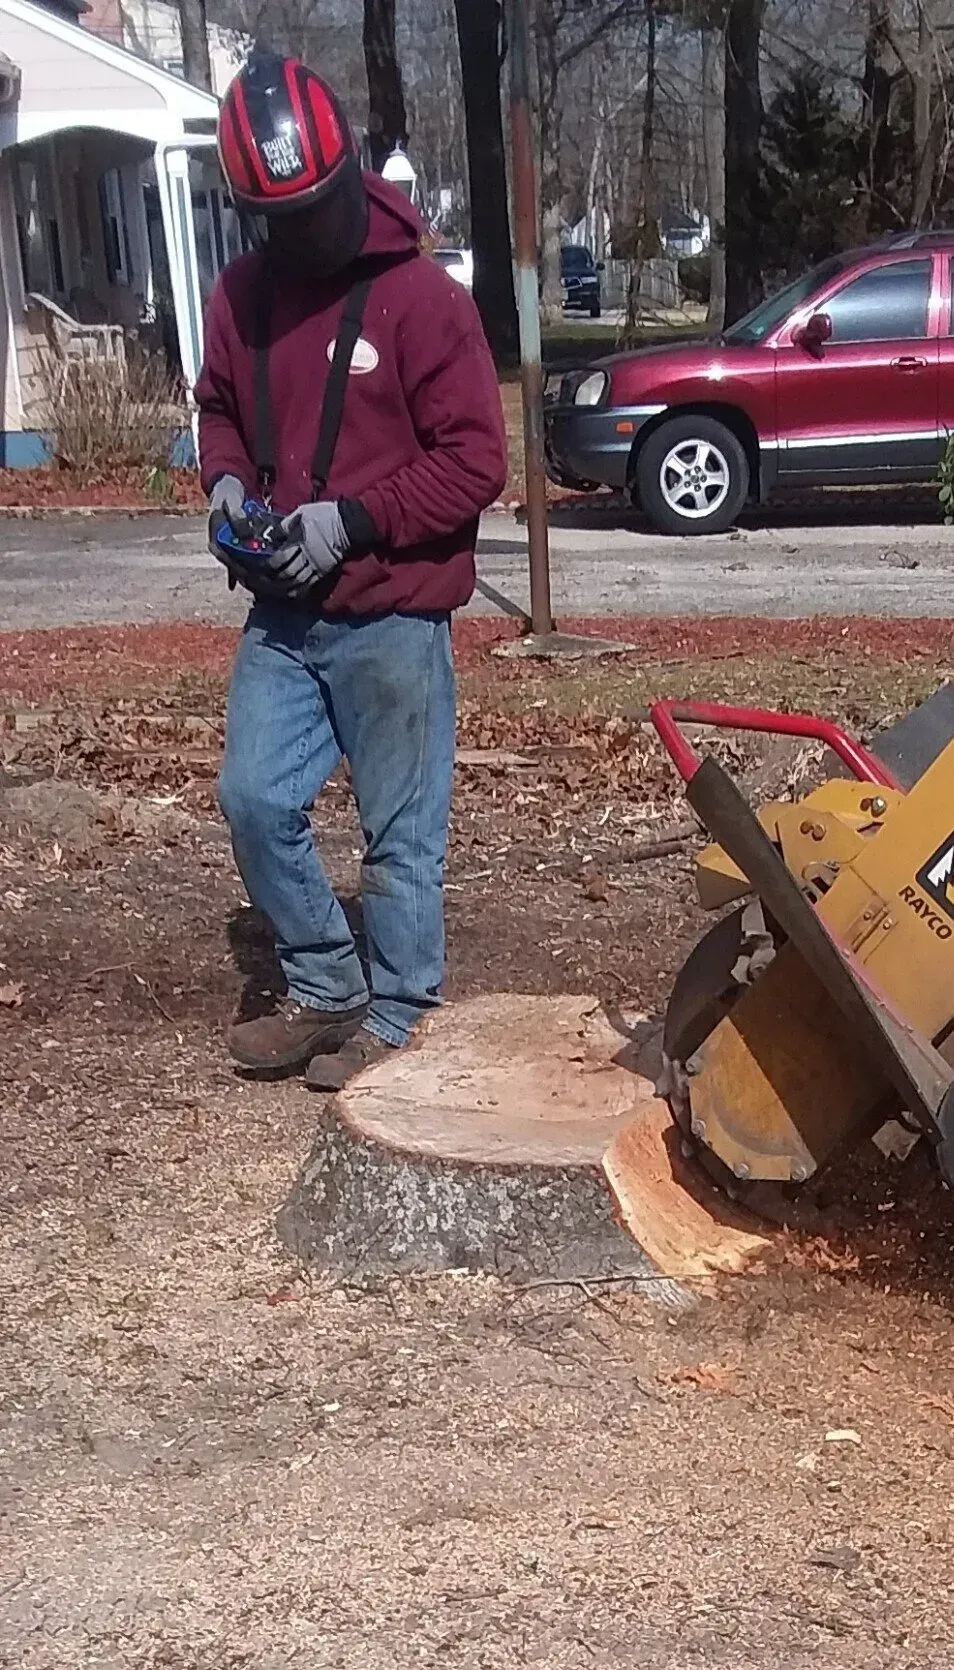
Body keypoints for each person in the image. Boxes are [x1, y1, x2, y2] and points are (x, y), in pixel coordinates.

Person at [198, 52, 507, 1090]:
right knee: (252, 797)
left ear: (347, 181)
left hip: (393, 614)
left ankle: (405, 1015)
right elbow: (220, 414)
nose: (302, 235)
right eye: (275, 217)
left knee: (400, 838)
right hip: (285, 615)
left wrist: (355, 519)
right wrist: (229, 489)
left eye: (316, 209)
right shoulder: (241, 295)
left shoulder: (421, 299)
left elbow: (476, 462)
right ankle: (326, 980)